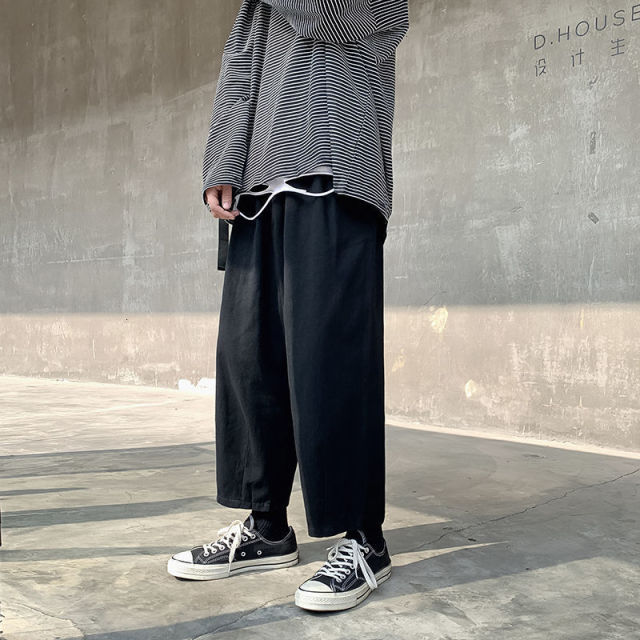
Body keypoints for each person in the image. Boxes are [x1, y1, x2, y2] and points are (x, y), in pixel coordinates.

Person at [167, 0, 409, 612]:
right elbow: (241, 61)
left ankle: (365, 539)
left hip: (337, 172)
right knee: (248, 359)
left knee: (330, 362)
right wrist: (222, 162)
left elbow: (328, 17)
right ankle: (267, 527)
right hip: (259, 187)